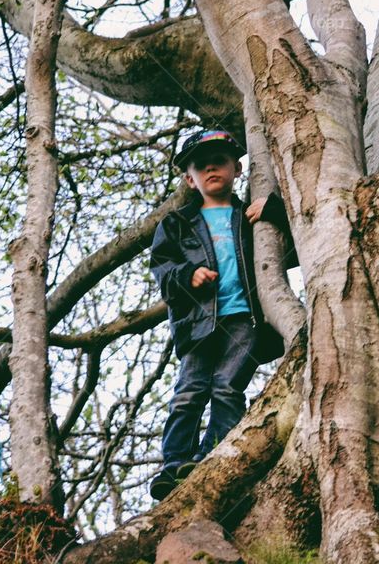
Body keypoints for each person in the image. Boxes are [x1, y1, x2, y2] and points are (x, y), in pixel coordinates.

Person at [148, 129, 291, 501]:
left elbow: (295, 244)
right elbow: (162, 268)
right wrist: (187, 275)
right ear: (188, 178)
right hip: (198, 323)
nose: (211, 167)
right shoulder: (177, 224)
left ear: (238, 169)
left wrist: (274, 211)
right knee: (189, 392)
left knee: (227, 388)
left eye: (220, 160)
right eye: (199, 164)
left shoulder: (250, 217)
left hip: (245, 319)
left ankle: (211, 455)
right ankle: (173, 463)